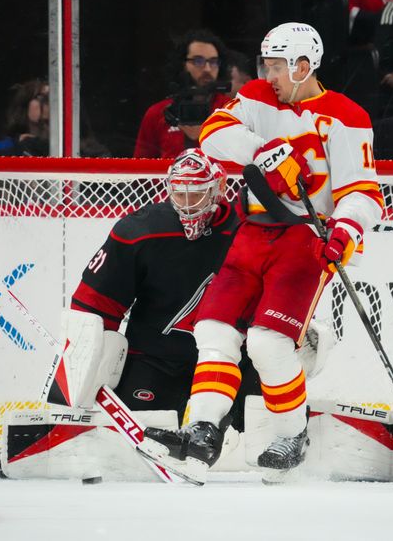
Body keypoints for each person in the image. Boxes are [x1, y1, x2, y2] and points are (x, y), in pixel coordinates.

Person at [140, 22, 383, 484]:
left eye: (277, 66)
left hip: (304, 238)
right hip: (253, 232)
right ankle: (205, 429)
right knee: (213, 327)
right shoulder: (256, 96)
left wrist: (345, 230)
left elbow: (364, 194)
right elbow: (213, 134)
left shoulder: (347, 116)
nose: (268, 74)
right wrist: (266, 151)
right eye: (266, 65)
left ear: (304, 66)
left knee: (268, 342)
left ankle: (293, 433)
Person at [69, 149, 257, 428]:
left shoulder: (248, 231)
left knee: (259, 431)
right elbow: (95, 303)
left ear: (219, 188)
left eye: (197, 194)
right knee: (134, 442)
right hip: (155, 357)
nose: (188, 204)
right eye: (180, 194)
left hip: (230, 359)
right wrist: (86, 362)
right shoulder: (138, 230)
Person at [133, 29, 231, 159]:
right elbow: (139, 170)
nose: (207, 69)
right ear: (182, 64)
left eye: (213, 62)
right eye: (198, 61)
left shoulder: (231, 110)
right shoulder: (158, 113)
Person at [0, 79, 49, 157]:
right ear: (25, 104)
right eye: (42, 97)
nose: (50, 102)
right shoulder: (4, 148)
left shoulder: (63, 146)